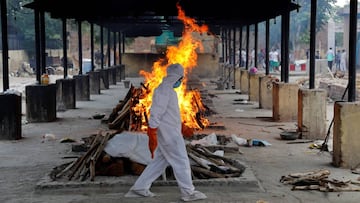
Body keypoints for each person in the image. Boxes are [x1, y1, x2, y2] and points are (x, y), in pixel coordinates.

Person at [124, 63, 207, 202]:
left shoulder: (168, 90)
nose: (181, 82)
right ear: (177, 77)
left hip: (170, 132)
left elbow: (169, 113)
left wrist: (181, 126)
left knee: (160, 162)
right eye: (181, 79)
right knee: (181, 161)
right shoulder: (164, 90)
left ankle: (139, 188)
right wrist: (152, 131)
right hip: (169, 135)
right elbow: (156, 112)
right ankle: (188, 192)